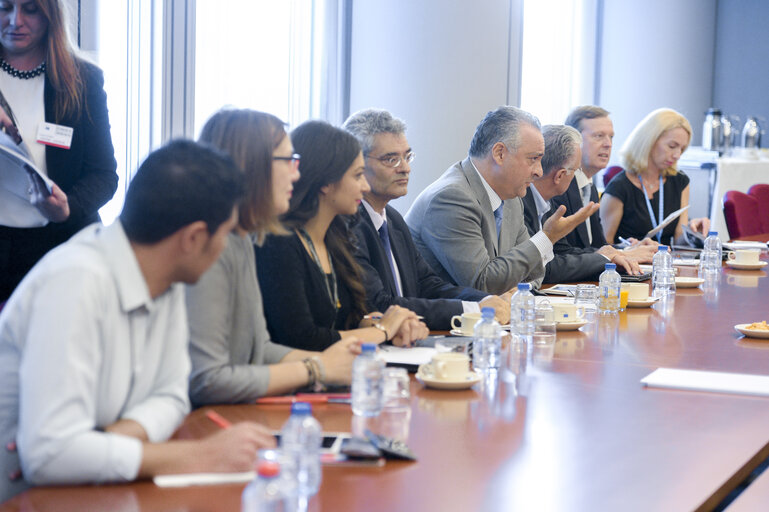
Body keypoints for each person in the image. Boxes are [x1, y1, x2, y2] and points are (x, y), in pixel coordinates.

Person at [0, 140, 276, 503]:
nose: (225, 247)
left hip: (90, 490)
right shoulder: (75, 280)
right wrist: (199, 456)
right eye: (224, 234)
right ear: (193, 238)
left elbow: (173, 394)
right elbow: (50, 455)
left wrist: (106, 441)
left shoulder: (167, 275)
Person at [186, 109, 360, 406]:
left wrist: (336, 362)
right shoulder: (212, 246)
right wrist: (317, 368)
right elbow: (207, 380)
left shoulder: (243, 238)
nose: (297, 173)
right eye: (289, 161)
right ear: (251, 165)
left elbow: (259, 348)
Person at [255, 120, 428, 352]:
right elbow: (302, 338)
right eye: (357, 176)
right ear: (326, 183)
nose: (365, 187)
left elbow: (351, 317)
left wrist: (380, 323)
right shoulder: (280, 243)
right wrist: (381, 331)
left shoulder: (337, 237)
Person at [342, 108, 510, 330]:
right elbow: (381, 305)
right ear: (357, 165)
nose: (405, 168)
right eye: (391, 159)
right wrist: (473, 310)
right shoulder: (347, 226)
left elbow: (427, 284)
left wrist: (485, 300)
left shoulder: (392, 219)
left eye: (407, 156)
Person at [404, 106, 597, 295]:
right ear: (499, 153)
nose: (539, 171)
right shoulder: (451, 198)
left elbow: (535, 272)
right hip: (443, 323)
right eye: (533, 159)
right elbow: (483, 283)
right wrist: (546, 237)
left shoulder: (512, 197)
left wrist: (518, 292)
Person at [0, 0, 118, 301]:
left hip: (60, 247)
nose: (15, 21)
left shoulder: (82, 79)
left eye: (30, 9)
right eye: (5, 7)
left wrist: (68, 208)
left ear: (50, 14)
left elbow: (104, 175)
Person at [521, 124, 640, 283]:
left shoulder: (548, 201)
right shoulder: (520, 201)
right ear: (560, 176)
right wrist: (603, 258)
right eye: (576, 170)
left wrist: (611, 255)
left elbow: (561, 251)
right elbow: (543, 267)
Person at [557, 106, 656, 261]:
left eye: (611, 137)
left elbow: (597, 247)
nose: (608, 144)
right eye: (599, 136)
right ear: (572, 141)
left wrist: (628, 249)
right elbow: (562, 253)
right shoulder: (559, 186)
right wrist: (623, 254)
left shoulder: (589, 187)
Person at [600, 108, 710, 246]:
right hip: (633, 265)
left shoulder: (680, 182)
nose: (677, 155)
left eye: (681, 149)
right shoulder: (619, 187)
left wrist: (693, 233)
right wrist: (624, 249)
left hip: (666, 263)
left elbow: (678, 239)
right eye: (672, 146)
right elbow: (603, 246)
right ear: (649, 141)